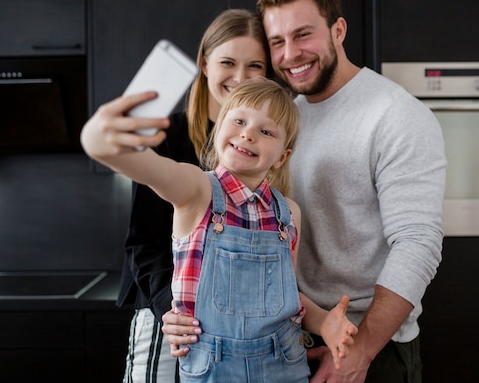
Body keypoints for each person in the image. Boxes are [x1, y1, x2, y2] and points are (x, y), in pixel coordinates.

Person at [162, 0, 447, 383]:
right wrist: (183, 311)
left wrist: (360, 349)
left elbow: (418, 244)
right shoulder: (280, 121)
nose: (290, 54)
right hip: (282, 348)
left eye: (303, 35)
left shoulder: (395, 115)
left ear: (338, 30)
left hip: (368, 350)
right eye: (277, 42)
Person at [81, 78, 359, 383]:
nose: (247, 133)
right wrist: (101, 142)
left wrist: (324, 323)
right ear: (218, 131)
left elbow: (288, 297)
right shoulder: (196, 190)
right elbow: (151, 168)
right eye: (239, 120)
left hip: (285, 366)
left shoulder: (288, 213)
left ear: (282, 157)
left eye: (266, 131)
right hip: (212, 370)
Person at [114, 9, 271, 383]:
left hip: (241, 325)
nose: (240, 77)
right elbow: (144, 243)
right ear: (205, 64)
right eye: (228, 63)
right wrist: (174, 312)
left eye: (255, 66)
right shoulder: (169, 137)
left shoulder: (268, 146)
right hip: (169, 316)